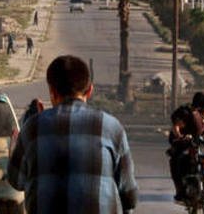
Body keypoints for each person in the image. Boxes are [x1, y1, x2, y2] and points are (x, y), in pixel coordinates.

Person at [8, 55, 138, 213]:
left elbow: (16, 181)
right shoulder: (112, 128)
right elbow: (130, 197)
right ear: (89, 90)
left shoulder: (32, 128)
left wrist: (16, 146)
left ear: (52, 92)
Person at [168, 92, 204, 202]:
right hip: (182, 142)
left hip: (196, 142)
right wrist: (181, 136)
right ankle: (180, 190)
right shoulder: (185, 112)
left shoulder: (202, 113)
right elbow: (176, 127)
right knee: (176, 161)